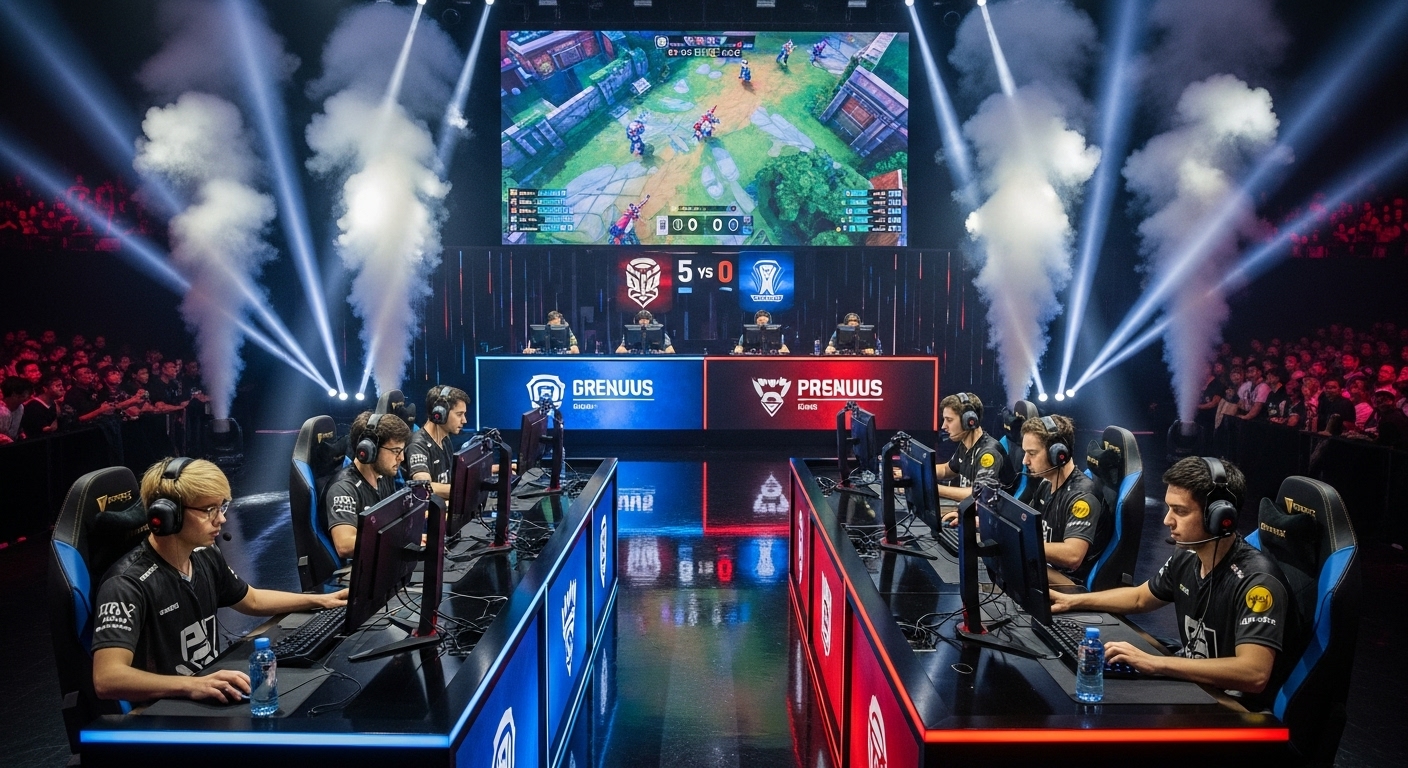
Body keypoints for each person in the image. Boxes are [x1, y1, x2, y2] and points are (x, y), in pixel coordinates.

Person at [1048, 457, 1298, 712]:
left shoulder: (1258, 583)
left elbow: (1254, 674)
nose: (1167, 520)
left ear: (1218, 516)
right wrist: (1073, 601)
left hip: (1235, 710)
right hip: (1197, 685)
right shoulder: (1188, 556)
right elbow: (1140, 598)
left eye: (1180, 511)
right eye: (1169, 508)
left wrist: (1154, 663)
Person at [91, 458, 348, 704]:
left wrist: (320, 600)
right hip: (164, 711)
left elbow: (252, 600)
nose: (222, 519)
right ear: (169, 514)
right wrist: (192, 685)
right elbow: (107, 679)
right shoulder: (126, 584)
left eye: (221, 507)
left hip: (209, 688)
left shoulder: (204, 555)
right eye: (209, 510)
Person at [1020, 415, 1109, 582]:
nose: (1025, 461)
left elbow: (1072, 556)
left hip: (1069, 583)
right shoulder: (1046, 484)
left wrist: (1022, 543)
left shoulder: (1082, 498)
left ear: (1057, 454)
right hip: (1047, 568)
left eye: (1032, 453)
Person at [323, 411, 410, 559]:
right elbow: (345, 545)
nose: (401, 457)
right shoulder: (343, 489)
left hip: (383, 560)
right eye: (396, 451)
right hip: (357, 569)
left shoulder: (384, 476)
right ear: (370, 449)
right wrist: (398, 539)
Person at [936, 393, 1013, 518]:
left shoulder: (989, 454)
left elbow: (979, 493)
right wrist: (916, 473)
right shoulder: (966, 444)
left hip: (991, 521)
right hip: (970, 513)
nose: (943, 426)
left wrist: (933, 488)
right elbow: (947, 470)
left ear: (969, 421)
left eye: (949, 420)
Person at [407, 385, 469, 501]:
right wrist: (464, 491)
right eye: (459, 414)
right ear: (440, 413)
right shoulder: (418, 445)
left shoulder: (445, 440)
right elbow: (424, 486)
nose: (464, 420)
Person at [19, 372, 64, 438]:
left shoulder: (54, 403)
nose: (62, 388)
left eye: (61, 385)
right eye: (57, 386)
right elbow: (43, 431)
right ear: (45, 389)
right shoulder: (33, 407)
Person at [0, 376, 30, 444]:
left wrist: (21, 434)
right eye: (25, 394)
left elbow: (18, 429)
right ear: (14, 395)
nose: (28, 396)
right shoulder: (1, 411)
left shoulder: (20, 408)